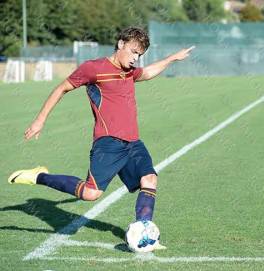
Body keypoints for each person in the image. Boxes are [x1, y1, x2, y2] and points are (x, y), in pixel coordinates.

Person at [8, 27, 194, 239]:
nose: (136, 58)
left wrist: (173, 58)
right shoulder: (93, 68)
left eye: (140, 55)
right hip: (108, 143)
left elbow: (149, 72)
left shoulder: (129, 72)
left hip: (133, 143)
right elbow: (62, 88)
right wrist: (40, 120)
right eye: (133, 51)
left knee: (150, 179)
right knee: (90, 193)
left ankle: (145, 230)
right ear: (121, 44)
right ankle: (40, 176)